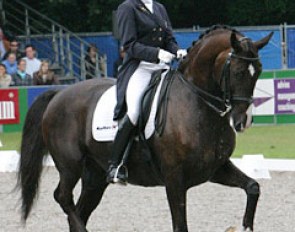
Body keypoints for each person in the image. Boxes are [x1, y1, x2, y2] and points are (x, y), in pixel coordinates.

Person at [106, 0, 187, 184]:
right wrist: (156, 53)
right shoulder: (128, 7)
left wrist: (177, 51)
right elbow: (129, 46)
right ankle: (115, 165)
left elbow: (169, 39)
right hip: (139, 68)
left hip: (162, 66)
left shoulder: (158, 7)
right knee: (134, 112)